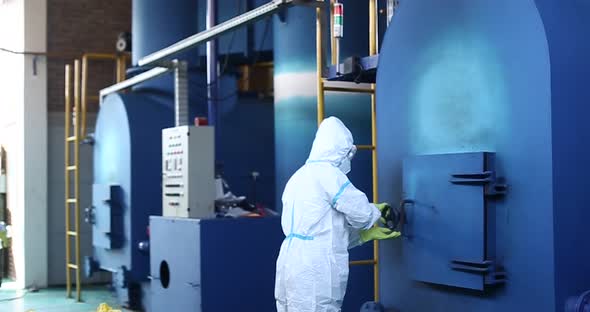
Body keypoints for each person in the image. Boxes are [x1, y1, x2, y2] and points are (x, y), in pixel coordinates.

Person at [275, 116, 400, 312]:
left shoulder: (298, 177)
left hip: (290, 261)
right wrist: (375, 211)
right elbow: (362, 215)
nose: (348, 160)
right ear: (339, 150)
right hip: (315, 267)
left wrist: (363, 236)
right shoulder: (329, 174)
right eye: (347, 155)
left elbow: (321, 231)